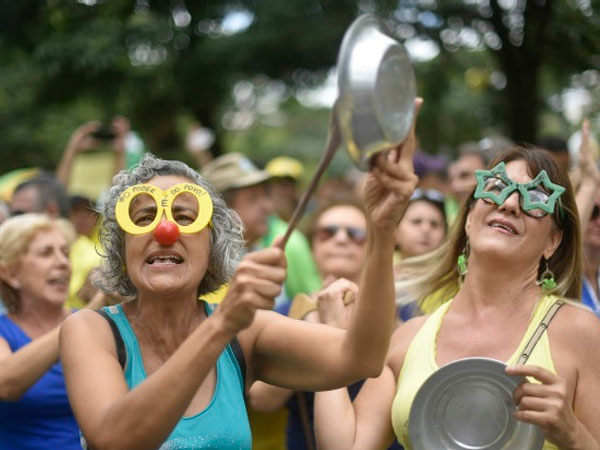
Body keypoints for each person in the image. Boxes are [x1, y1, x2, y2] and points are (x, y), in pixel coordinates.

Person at [58, 100, 420, 450]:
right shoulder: (91, 330)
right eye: (143, 218)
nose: (164, 230)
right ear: (122, 250)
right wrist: (222, 324)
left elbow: (361, 359)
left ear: (213, 251)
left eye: (185, 217)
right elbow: (116, 441)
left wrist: (383, 229)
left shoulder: (247, 334)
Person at [314, 146, 600, 450]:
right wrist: (330, 335)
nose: (511, 204)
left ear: (553, 242)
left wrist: (573, 436)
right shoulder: (408, 338)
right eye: (497, 187)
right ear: (468, 218)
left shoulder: (579, 331)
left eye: (537, 198)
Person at [250, 196, 404, 450]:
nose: (341, 239)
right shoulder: (289, 313)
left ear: (372, 246)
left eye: (355, 234)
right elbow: (263, 401)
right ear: (312, 247)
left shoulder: (397, 312)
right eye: (327, 233)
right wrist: (311, 323)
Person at [0, 213, 107, 449]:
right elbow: (5, 383)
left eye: (65, 253)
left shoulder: (98, 322)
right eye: (46, 253)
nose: (62, 263)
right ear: (10, 274)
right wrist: (94, 307)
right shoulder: (3, 329)